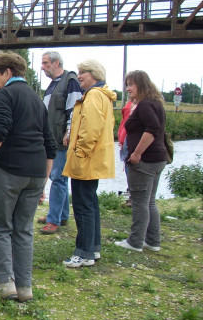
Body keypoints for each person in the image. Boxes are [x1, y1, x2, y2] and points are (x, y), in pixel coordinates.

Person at [0, 52, 56, 302]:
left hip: (11, 170)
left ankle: (4, 284)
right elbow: (49, 143)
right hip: (36, 173)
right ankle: (25, 287)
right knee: (23, 230)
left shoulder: (7, 94)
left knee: (0, 227)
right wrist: (44, 179)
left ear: (8, 72)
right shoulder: (36, 98)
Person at [62, 59, 116, 268]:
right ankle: (93, 248)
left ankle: (84, 253)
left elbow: (90, 128)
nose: (79, 76)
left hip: (86, 160)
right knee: (90, 204)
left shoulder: (93, 96)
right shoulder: (103, 96)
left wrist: (80, 153)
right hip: (95, 159)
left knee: (83, 206)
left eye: (83, 72)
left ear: (94, 74)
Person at [115, 70, 168, 252]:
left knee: (139, 202)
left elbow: (152, 129)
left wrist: (136, 153)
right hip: (158, 159)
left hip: (144, 161)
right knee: (150, 202)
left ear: (141, 85)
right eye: (127, 84)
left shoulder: (145, 105)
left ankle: (135, 241)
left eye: (131, 84)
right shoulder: (155, 103)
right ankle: (153, 241)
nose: (128, 88)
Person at [38, 51, 82, 235]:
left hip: (62, 140)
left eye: (46, 63)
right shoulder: (52, 85)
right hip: (53, 140)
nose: (42, 67)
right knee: (60, 178)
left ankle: (53, 219)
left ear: (56, 63)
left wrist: (69, 131)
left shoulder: (70, 81)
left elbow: (75, 108)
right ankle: (61, 215)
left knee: (57, 179)